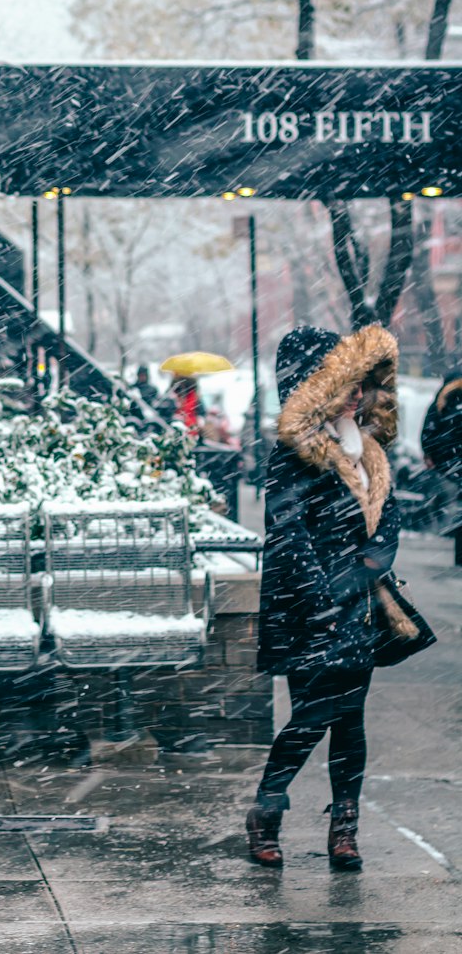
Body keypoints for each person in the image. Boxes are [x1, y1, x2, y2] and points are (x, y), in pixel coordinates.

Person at [247, 323, 414, 872]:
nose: (354, 394)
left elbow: (386, 523)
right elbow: (288, 534)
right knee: (313, 715)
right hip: (308, 608)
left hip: (358, 606)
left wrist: (369, 569)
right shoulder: (295, 454)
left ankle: (345, 828)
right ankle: (267, 811)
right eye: (341, 383)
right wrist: (325, 594)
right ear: (311, 386)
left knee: (350, 720)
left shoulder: (369, 451)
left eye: (359, 383)